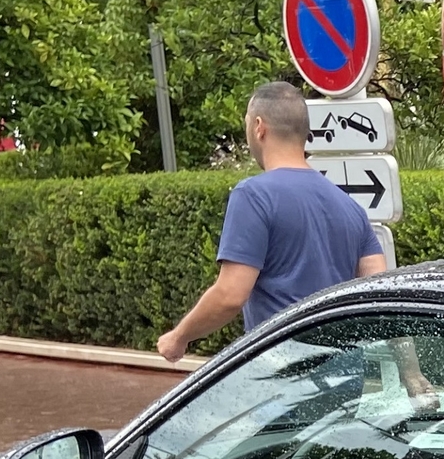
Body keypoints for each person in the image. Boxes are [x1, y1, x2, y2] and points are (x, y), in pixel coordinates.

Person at [157, 82, 388, 362]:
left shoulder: (253, 195)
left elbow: (230, 295)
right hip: (345, 378)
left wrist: (178, 338)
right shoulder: (350, 207)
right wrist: (411, 375)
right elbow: (379, 295)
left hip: (283, 376)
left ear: (258, 127)